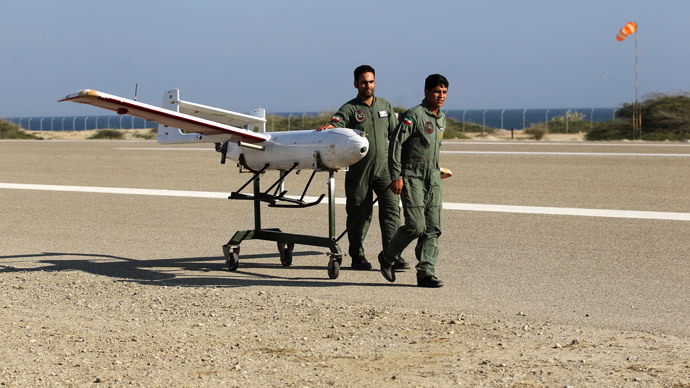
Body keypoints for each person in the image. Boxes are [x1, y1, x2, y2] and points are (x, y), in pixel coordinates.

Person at [318, 65, 408, 271]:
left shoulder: (385, 106)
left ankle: (392, 255)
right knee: (359, 213)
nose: (368, 85)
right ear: (356, 84)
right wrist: (331, 126)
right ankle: (357, 256)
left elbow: (396, 135)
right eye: (364, 82)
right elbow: (337, 121)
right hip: (360, 171)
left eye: (371, 81)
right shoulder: (350, 108)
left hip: (385, 169)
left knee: (392, 211)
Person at [378, 74, 449, 288]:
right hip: (412, 177)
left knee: (433, 227)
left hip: (433, 178)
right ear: (426, 92)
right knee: (416, 226)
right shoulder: (414, 115)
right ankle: (387, 257)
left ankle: (426, 273)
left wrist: (438, 170)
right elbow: (396, 145)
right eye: (437, 92)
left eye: (444, 92)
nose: (441, 96)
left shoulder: (441, 119)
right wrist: (396, 176)